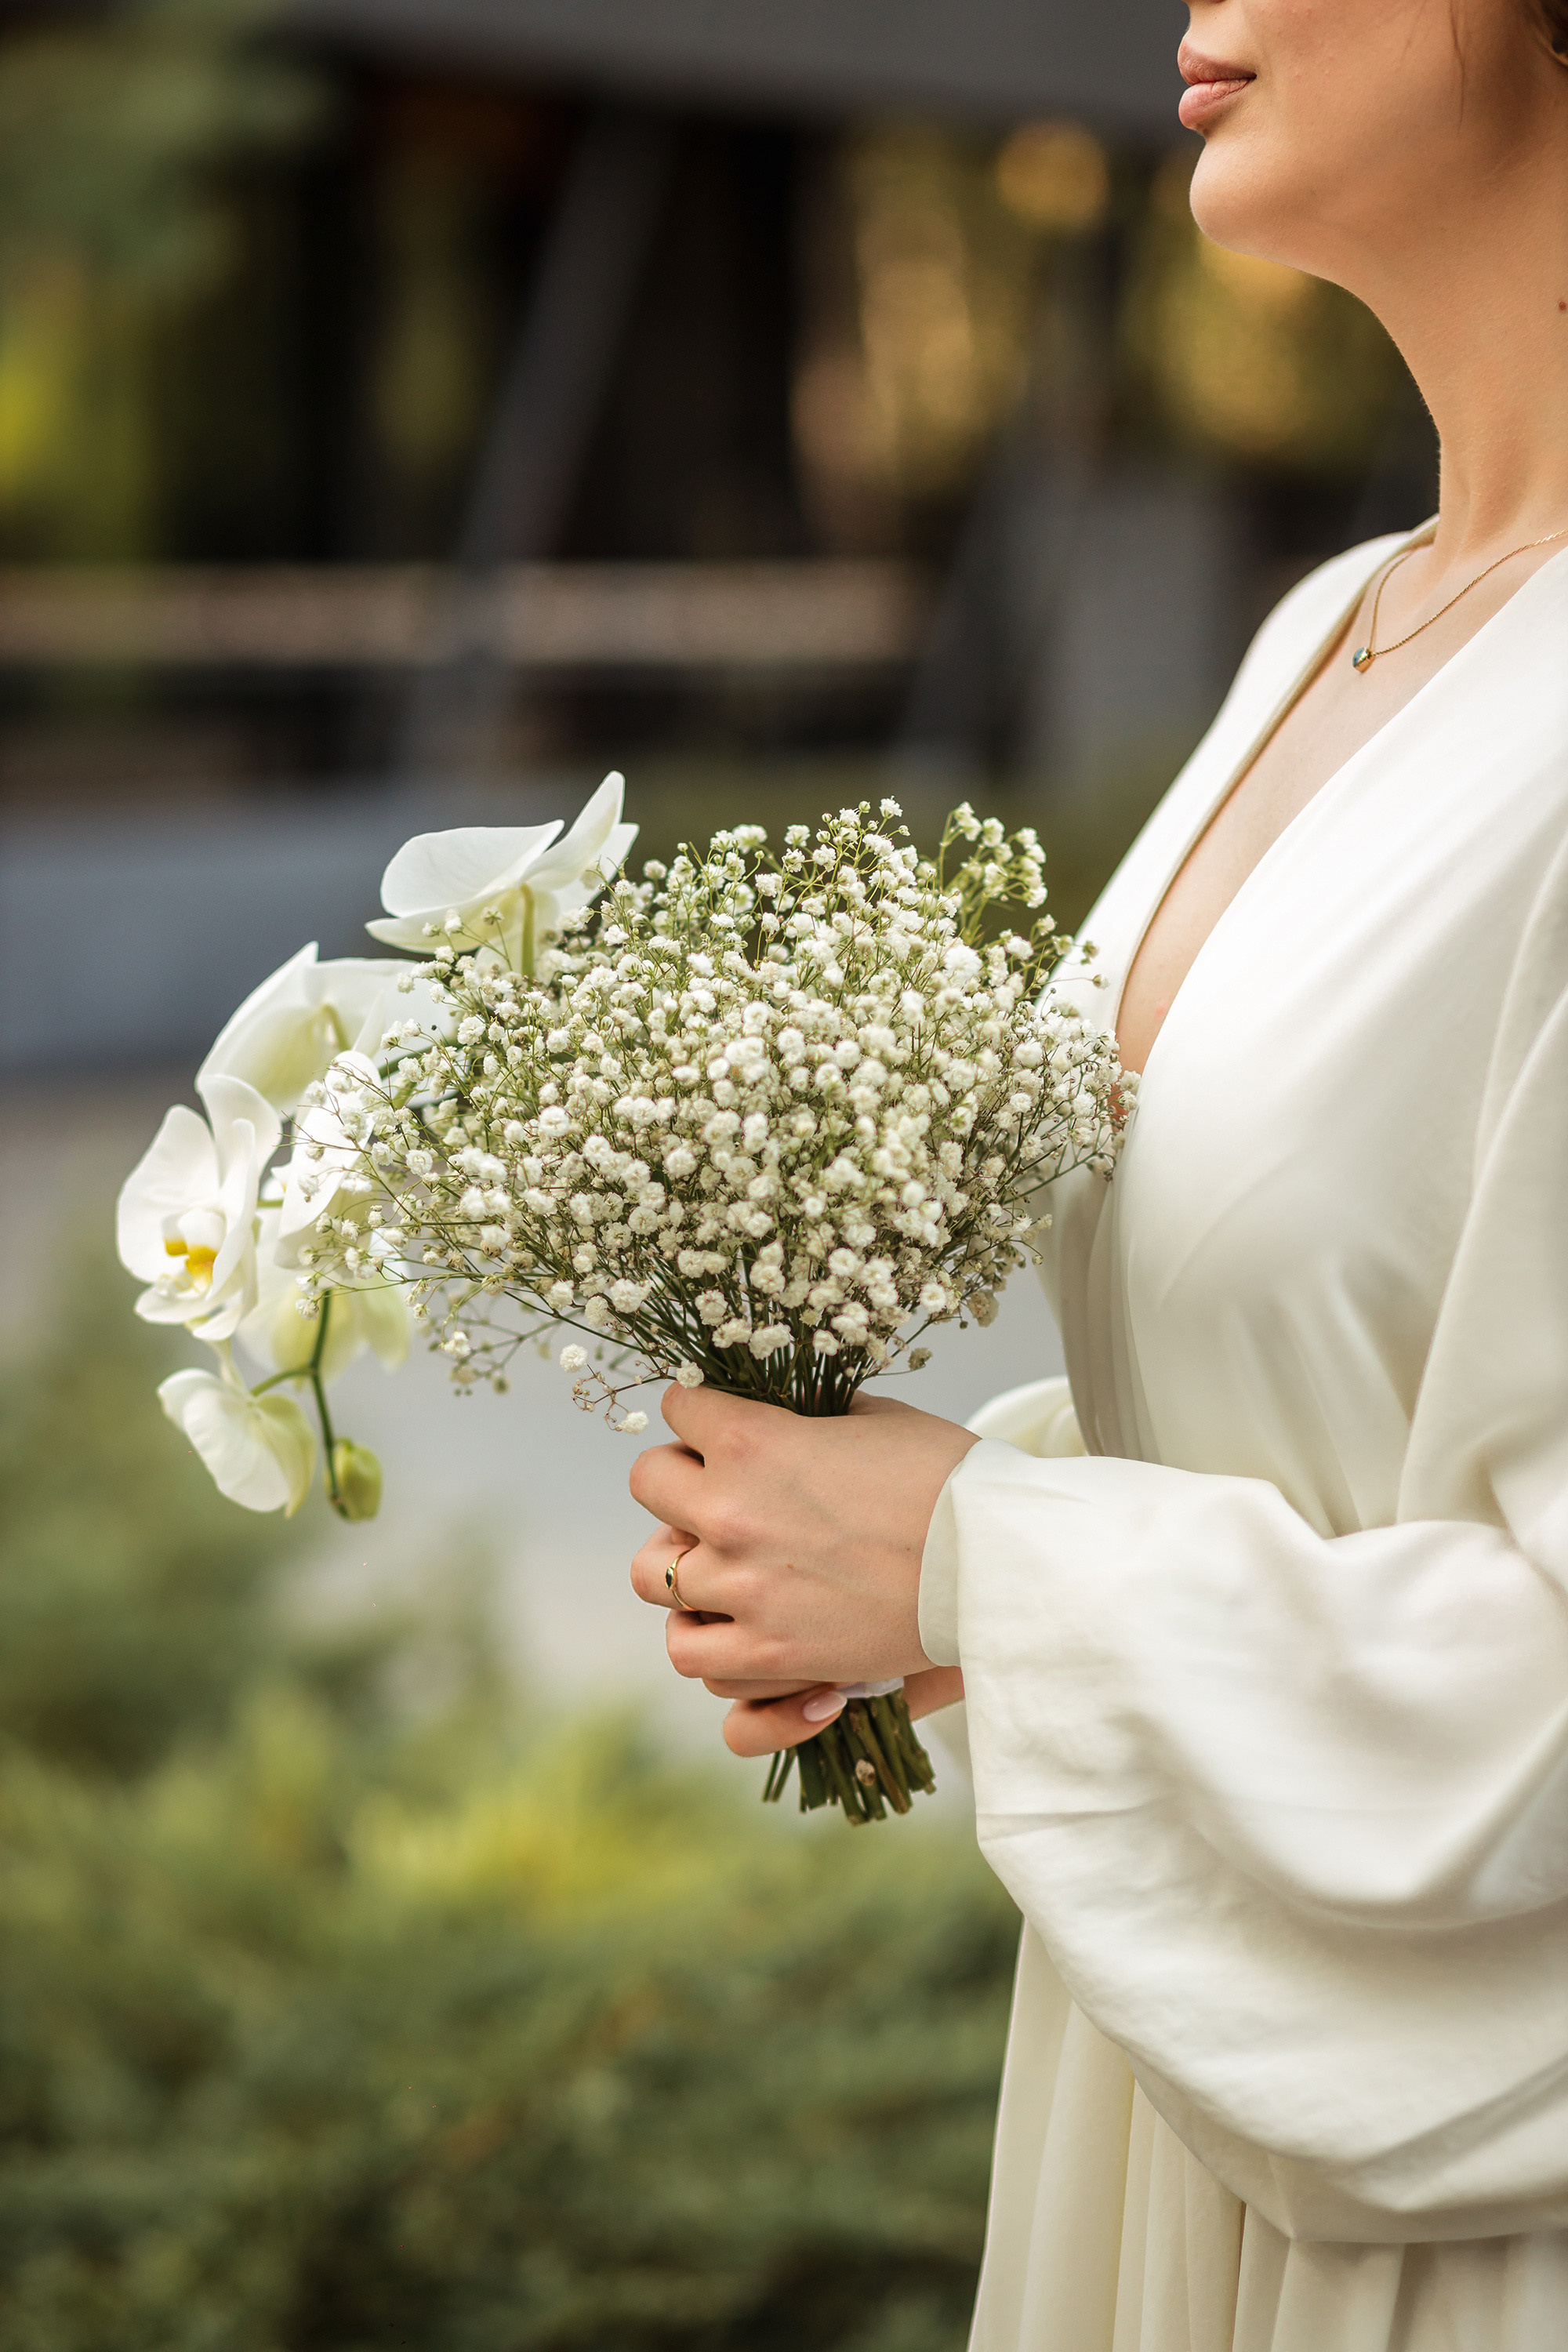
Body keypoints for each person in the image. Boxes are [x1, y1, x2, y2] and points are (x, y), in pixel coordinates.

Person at [627, 1, 1568, 2343]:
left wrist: (990, 1562)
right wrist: (914, 1539)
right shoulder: (1331, 632)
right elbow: (1342, 1371)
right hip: (1183, 2097)